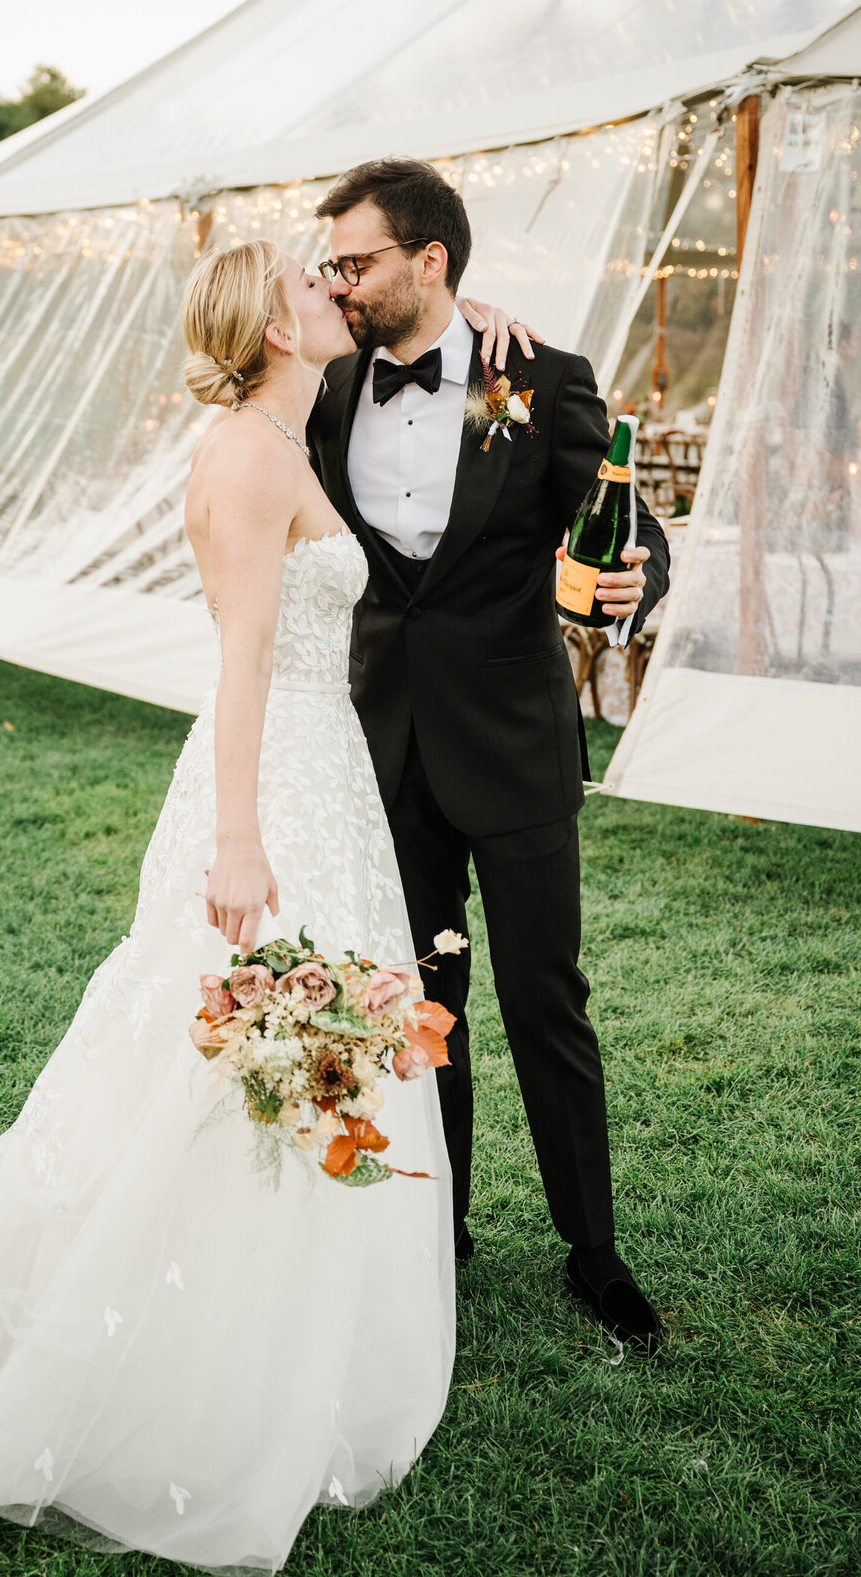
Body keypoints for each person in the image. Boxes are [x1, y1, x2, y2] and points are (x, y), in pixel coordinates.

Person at [0, 239, 508, 1571]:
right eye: (310, 286)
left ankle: (282, 1326)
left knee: (293, 1053)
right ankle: (201, 1362)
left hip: (315, 770)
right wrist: (237, 837)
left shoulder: (273, 429)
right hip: (268, 783)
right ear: (272, 327)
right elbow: (246, 655)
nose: (335, 291)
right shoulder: (253, 454)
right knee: (247, 1051)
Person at [308, 158, 670, 1352]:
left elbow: (629, 527)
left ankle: (595, 1251)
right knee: (420, 1004)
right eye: (330, 266)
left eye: (355, 261)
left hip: (514, 748)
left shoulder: (541, 377)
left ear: (433, 262)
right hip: (387, 750)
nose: (338, 283)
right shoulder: (323, 388)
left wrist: (629, 580)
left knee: (545, 1000)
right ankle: (437, 1233)